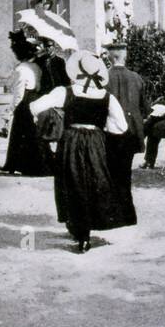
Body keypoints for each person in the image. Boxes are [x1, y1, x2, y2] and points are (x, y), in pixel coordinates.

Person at [31, 51, 133, 253]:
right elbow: (120, 127)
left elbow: (35, 107)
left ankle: (79, 229)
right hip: (96, 142)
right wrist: (102, 128)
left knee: (72, 182)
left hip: (71, 140)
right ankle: (86, 232)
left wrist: (53, 116)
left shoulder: (65, 92)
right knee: (93, 182)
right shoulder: (107, 97)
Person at [104, 42, 149, 215]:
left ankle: (113, 208)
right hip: (132, 131)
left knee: (111, 169)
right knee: (125, 171)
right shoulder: (136, 78)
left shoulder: (105, 78)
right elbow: (145, 107)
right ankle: (126, 209)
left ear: (110, 57)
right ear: (124, 56)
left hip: (111, 130)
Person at [1, 31, 51, 175]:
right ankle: (34, 165)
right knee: (33, 134)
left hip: (25, 102)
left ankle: (18, 164)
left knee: (20, 134)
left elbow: (18, 94)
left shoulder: (20, 69)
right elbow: (39, 86)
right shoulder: (36, 67)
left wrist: (10, 110)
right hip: (35, 98)